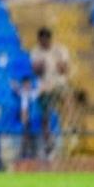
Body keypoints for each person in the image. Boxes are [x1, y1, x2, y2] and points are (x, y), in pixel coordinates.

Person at [30, 27, 71, 155]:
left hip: (59, 84)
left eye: (45, 41)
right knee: (45, 115)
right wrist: (40, 66)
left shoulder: (60, 50)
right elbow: (36, 71)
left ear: (49, 39)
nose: (43, 44)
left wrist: (60, 65)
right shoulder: (35, 52)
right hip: (45, 86)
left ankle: (70, 127)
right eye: (41, 41)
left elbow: (64, 70)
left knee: (67, 96)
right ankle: (48, 141)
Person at [12, 76, 39, 159]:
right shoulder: (22, 92)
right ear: (23, 85)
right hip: (24, 117)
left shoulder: (32, 93)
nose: (28, 86)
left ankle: (32, 153)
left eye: (29, 84)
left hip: (32, 117)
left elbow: (39, 92)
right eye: (26, 84)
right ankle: (24, 153)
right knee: (25, 134)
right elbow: (16, 89)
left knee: (31, 135)